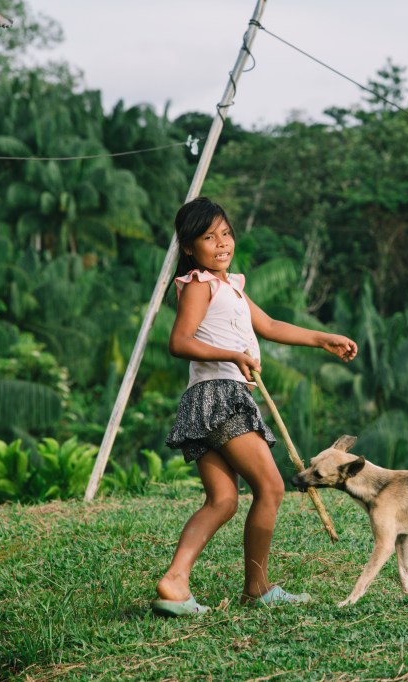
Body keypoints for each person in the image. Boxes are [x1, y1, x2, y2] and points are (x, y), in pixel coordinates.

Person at [151, 197, 357, 616]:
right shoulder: (198, 284)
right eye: (208, 238)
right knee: (271, 487)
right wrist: (232, 354)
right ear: (190, 248)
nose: (221, 243)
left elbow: (270, 327)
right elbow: (180, 341)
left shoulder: (232, 287)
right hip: (219, 397)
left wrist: (323, 339)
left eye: (225, 233)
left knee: (223, 500)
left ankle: (175, 581)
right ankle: (257, 588)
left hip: (209, 400)